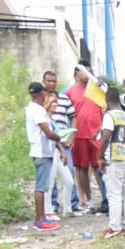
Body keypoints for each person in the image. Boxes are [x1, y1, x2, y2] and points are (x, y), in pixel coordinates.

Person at [99, 86, 125, 237]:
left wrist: (99, 156)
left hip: (114, 158)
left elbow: (106, 136)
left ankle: (114, 227)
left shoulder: (110, 116)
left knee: (114, 194)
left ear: (107, 100)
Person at [67, 64, 106, 215]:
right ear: (77, 73)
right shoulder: (70, 91)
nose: (87, 74)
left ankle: (106, 199)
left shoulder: (97, 89)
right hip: (79, 135)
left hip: (96, 134)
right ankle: (88, 199)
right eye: (84, 71)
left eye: (90, 71)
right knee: (81, 168)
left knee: (99, 166)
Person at [24, 81, 61, 231]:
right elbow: (48, 132)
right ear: (41, 93)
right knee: (41, 187)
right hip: (42, 152)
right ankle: (40, 220)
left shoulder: (31, 108)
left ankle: (41, 218)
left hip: (38, 150)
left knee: (42, 186)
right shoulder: (38, 110)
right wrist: (59, 136)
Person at [43, 70, 79, 216]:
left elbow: (73, 116)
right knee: (50, 180)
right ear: (44, 82)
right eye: (49, 81)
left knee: (69, 174)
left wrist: (71, 137)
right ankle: (51, 207)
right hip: (48, 146)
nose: (52, 83)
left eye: (54, 81)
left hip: (63, 144)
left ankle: (70, 206)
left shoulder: (63, 99)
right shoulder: (41, 101)